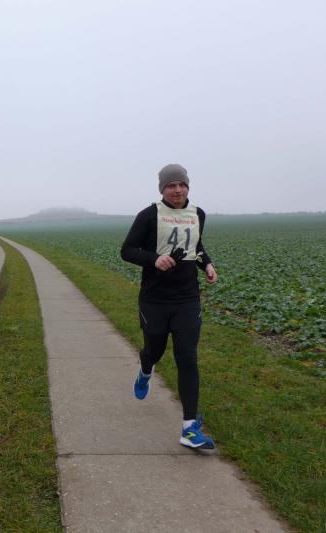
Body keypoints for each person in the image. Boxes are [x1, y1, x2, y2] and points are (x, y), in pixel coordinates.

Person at [120, 163, 219, 449]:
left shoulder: (198, 214)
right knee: (154, 350)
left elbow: (195, 246)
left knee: (187, 357)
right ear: (162, 189)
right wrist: (155, 259)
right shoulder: (149, 215)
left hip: (187, 298)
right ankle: (145, 370)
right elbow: (127, 251)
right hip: (155, 299)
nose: (177, 190)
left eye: (181, 185)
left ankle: (189, 429)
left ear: (188, 186)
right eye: (171, 185)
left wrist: (207, 264)